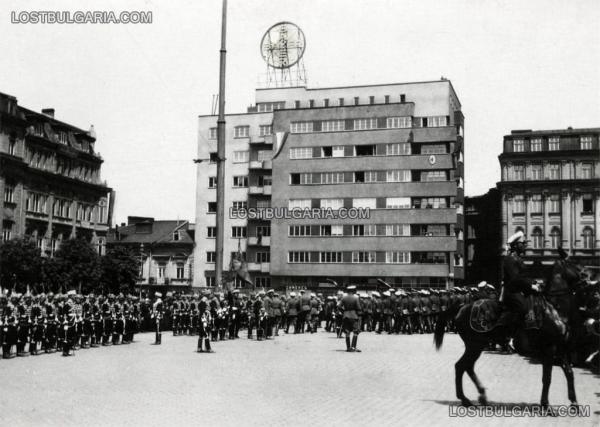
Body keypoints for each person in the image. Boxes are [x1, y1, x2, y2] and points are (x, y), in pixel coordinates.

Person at [338, 285, 362, 352]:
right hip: (354, 316)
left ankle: (348, 348)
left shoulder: (344, 298)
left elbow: (339, 307)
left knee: (347, 332)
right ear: (353, 290)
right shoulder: (355, 298)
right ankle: (353, 347)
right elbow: (359, 308)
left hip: (345, 316)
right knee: (355, 331)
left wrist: (344, 312)